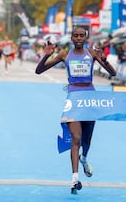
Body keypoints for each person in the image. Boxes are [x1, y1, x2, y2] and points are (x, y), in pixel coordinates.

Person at [35, 27, 116, 195]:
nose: (78, 38)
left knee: (86, 139)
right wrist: (47, 54)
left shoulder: (92, 54)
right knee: (76, 139)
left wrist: (103, 59)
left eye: (82, 35)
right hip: (73, 99)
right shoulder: (65, 55)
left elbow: (112, 73)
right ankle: (74, 179)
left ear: (85, 38)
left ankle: (84, 158)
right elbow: (39, 71)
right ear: (71, 38)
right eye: (76, 35)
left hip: (90, 99)